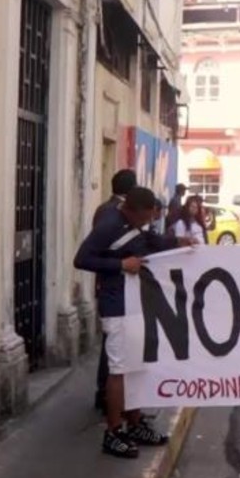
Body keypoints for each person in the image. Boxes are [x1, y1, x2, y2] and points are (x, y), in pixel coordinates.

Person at [74, 187, 179, 458]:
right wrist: (121, 265)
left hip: (137, 305)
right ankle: (113, 432)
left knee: (138, 366)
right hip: (116, 306)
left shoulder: (134, 225)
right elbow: (82, 259)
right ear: (132, 210)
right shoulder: (108, 225)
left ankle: (134, 423)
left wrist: (181, 243)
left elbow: (150, 243)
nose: (147, 222)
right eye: (144, 217)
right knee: (119, 369)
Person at [90, 168, 137, 411]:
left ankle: (106, 393)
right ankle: (106, 394)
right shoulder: (114, 213)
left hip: (108, 282)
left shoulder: (102, 208)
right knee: (114, 345)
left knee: (112, 342)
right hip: (114, 283)